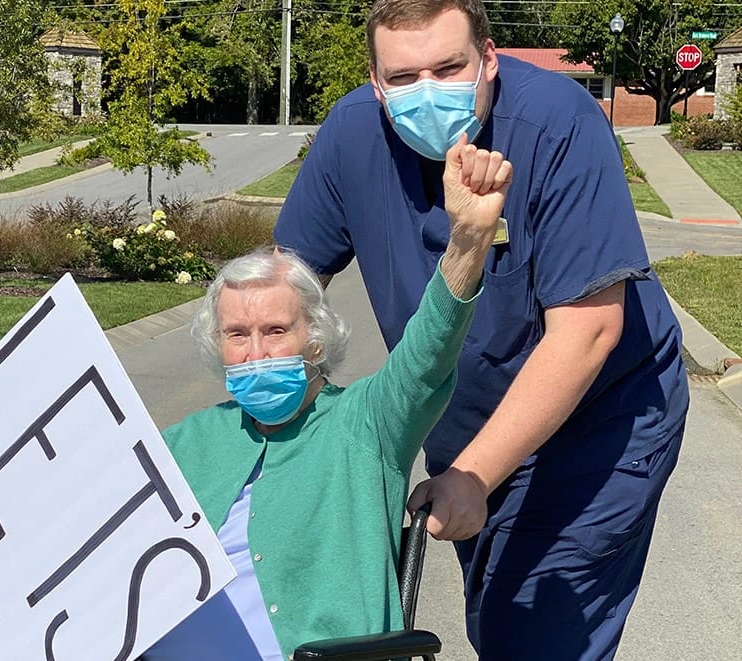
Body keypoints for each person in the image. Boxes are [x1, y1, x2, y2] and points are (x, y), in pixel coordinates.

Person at [0, 139, 511, 659]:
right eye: (238, 334)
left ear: (315, 339)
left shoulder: (366, 425)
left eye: (275, 331)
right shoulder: (186, 441)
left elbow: (429, 350)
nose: (256, 351)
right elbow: (44, 506)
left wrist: (468, 241)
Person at [273, 0, 689, 659]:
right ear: (377, 82)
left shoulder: (555, 125)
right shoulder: (353, 134)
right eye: (404, 78)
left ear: (489, 59)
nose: (427, 91)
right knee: (495, 617)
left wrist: (473, 475)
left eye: (448, 66)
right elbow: (282, 288)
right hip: (465, 428)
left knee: (530, 638)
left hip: (598, 427)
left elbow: (587, 332)